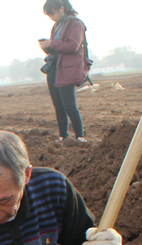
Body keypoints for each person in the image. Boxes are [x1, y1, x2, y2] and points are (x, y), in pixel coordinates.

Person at [39, 0, 90, 143]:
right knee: (58, 106)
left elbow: (73, 46)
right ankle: (63, 136)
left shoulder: (76, 24)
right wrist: (46, 46)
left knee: (69, 106)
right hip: (54, 68)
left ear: (62, 8)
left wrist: (51, 43)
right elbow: (56, 48)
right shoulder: (56, 26)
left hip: (67, 70)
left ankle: (79, 136)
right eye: (49, 15)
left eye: (52, 13)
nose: (51, 17)